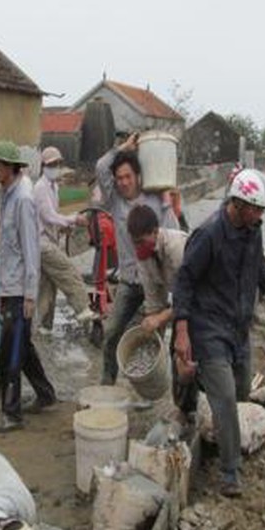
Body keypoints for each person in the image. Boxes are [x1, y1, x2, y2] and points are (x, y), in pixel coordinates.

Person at [172, 169, 265, 498]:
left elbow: (259, 270)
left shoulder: (252, 230)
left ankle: (189, 389)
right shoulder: (209, 235)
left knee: (242, 390)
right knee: (226, 397)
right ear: (238, 203)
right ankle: (230, 472)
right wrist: (182, 332)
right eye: (256, 210)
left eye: (262, 212)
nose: (260, 217)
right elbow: (184, 282)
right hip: (208, 328)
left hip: (238, 328)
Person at [0, 140, 57, 431]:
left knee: (10, 353)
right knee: (22, 346)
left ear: (12, 168)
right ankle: (46, 394)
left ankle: (11, 414)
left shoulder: (24, 199)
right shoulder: (8, 194)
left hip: (19, 290)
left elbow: (31, 250)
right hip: (8, 285)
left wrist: (29, 294)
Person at [95, 132, 179, 385]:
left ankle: (148, 387)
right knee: (111, 333)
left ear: (138, 177)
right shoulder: (115, 202)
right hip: (129, 281)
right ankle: (107, 383)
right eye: (119, 178)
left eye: (127, 177)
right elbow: (101, 167)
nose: (122, 182)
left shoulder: (156, 202)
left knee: (149, 337)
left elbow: (173, 236)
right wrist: (124, 148)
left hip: (154, 283)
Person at [126, 204, 197, 417]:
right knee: (177, 356)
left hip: (203, 302)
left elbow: (192, 296)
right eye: (134, 241)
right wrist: (152, 326)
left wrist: (161, 318)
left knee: (192, 354)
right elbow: (153, 299)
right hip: (181, 304)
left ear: (155, 232)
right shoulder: (144, 256)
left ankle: (200, 406)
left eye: (141, 241)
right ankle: (184, 410)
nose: (138, 247)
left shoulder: (177, 247)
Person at [34, 146, 97, 332]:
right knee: (68, 272)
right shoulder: (40, 188)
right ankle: (83, 309)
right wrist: (74, 219)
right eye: (52, 164)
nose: (56, 167)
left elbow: (53, 220)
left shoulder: (53, 187)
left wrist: (65, 228)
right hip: (42, 244)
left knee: (48, 286)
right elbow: (49, 216)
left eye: (58, 163)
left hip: (48, 240)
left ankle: (43, 327)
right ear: (43, 166)